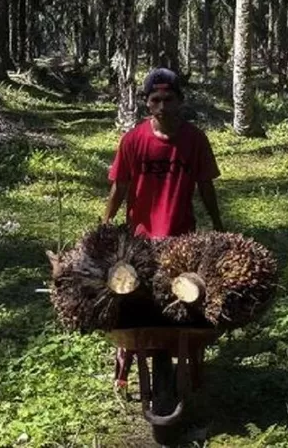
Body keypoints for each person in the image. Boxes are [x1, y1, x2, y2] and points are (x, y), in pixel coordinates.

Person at [102, 67, 224, 394]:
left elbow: (206, 187)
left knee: (186, 302)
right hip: (140, 239)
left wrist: (218, 224)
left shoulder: (195, 140)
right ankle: (124, 363)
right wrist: (106, 223)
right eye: (155, 100)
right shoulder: (133, 141)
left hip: (181, 237)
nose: (163, 106)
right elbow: (120, 187)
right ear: (147, 104)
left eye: (169, 99)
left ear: (181, 101)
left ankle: (191, 359)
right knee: (132, 303)